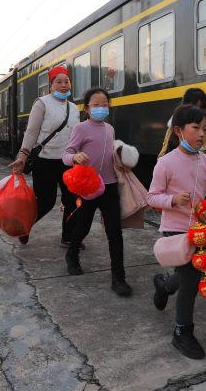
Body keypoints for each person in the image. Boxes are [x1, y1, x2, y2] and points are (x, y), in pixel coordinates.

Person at [147, 104, 206, 359]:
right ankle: (182, 331)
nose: (201, 134)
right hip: (174, 231)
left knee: (188, 276)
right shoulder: (165, 163)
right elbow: (151, 197)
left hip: (200, 232)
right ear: (178, 131)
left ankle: (164, 285)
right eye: (196, 128)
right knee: (190, 279)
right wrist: (172, 200)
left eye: (205, 129)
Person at [61, 88, 132, 296]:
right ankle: (72, 254)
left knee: (115, 232)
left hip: (109, 187)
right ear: (87, 108)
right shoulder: (80, 128)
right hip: (88, 187)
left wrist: (122, 160)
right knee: (82, 227)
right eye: (96, 105)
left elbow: (109, 155)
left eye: (105, 104)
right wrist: (75, 157)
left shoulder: (110, 129)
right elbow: (66, 155)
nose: (101, 108)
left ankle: (119, 278)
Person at [11, 65, 79, 246]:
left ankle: (68, 237)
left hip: (67, 162)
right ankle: (25, 226)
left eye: (67, 82)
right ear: (51, 85)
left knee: (72, 201)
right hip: (45, 162)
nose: (63, 85)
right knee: (46, 202)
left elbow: (75, 135)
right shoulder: (42, 103)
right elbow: (31, 132)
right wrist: (23, 155)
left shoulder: (74, 108)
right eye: (59, 82)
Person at [158, 88, 206, 159]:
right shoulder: (173, 130)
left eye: (201, 108)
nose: (198, 112)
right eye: (194, 107)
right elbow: (163, 155)